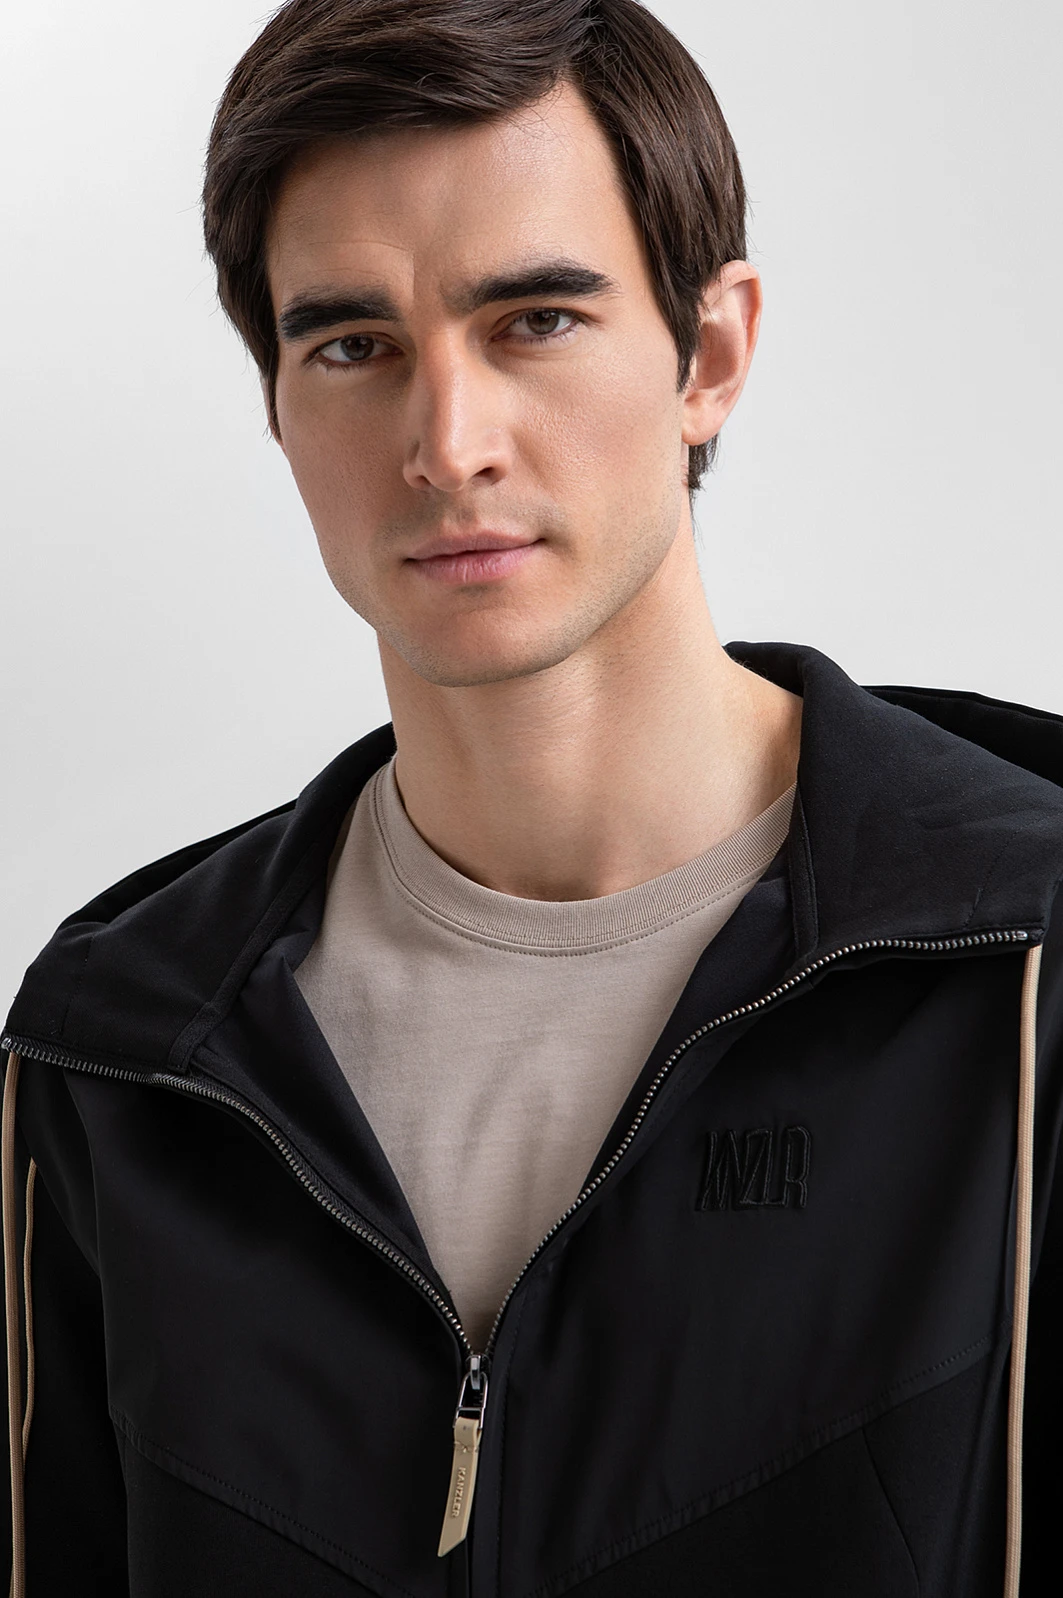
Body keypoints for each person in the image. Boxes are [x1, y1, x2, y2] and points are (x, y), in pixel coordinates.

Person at [3, 0, 1062, 1592]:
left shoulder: (1024, 975)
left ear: (710, 353)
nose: (446, 443)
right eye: (351, 345)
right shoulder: (114, 1055)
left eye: (535, 320)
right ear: (276, 402)